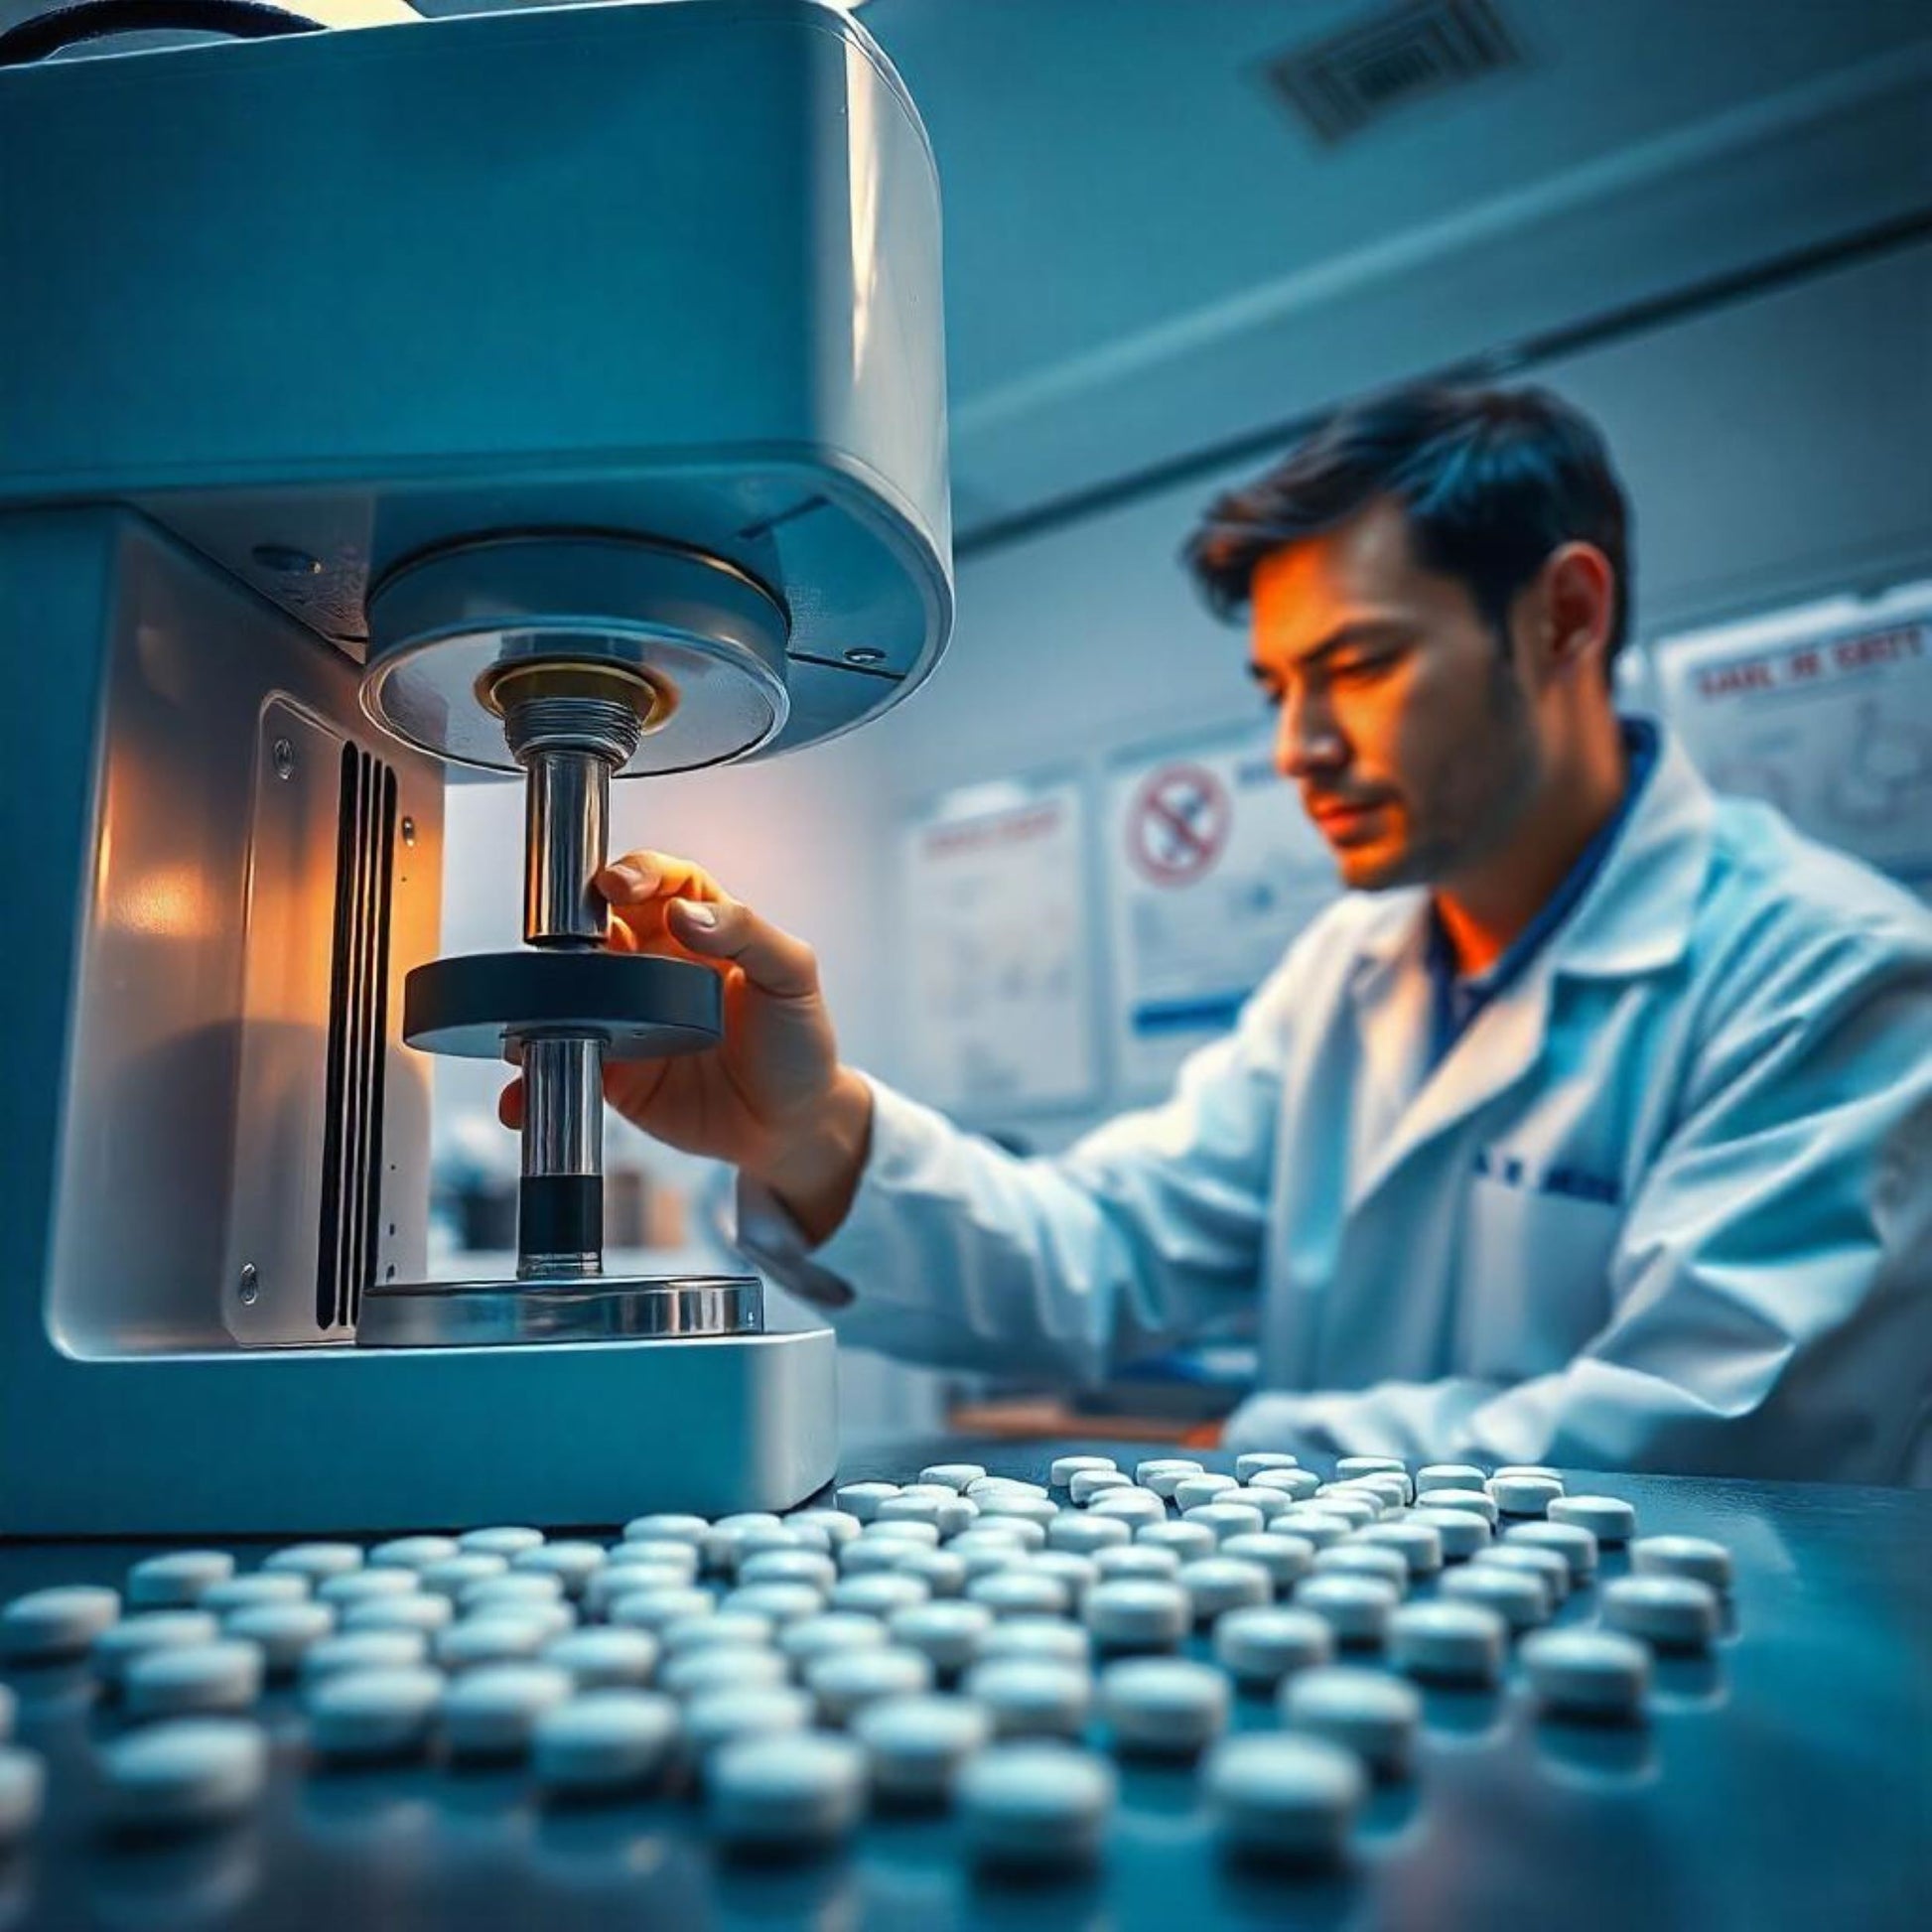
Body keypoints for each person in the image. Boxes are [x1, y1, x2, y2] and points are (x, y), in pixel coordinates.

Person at [501, 385, 1932, 1483]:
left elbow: (1715, 1439)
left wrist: (1238, 1448)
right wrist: (804, 1129)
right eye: (1275, 687)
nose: (1299, 747)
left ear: (1561, 616)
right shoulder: (1349, 975)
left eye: (1358, 665)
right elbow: (1102, 1250)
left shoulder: (1825, 977)